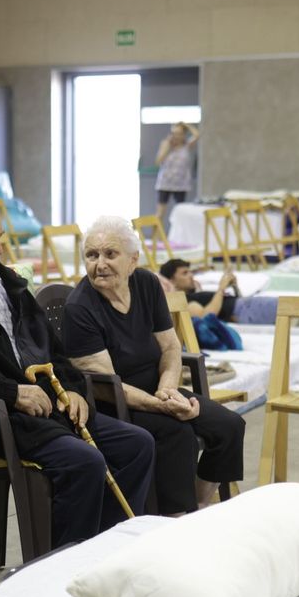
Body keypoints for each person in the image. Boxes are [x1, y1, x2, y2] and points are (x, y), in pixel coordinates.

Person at [0, 194, 153, 548]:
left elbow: (54, 350)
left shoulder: (8, 282)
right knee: (84, 462)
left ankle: (106, 551)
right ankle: (62, 570)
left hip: (45, 407)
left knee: (136, 444)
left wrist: (75, 388)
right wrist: (11, 393)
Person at [63, 217, 245, 515]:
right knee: (178, 432)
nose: (100, 264)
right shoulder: (80, 308)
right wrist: (163, 406)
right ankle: (173, 517)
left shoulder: (146, 283)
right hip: (115, 404)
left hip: (157, 389)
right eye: (91, 255)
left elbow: (171, 346)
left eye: (110, 254)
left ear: (133, 260)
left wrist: (167, 390)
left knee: (229, 426)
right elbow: (107, 386)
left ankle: (198, 504)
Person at [160, 258, 237, 321]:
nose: (191, 275)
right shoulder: (184, 301)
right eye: (185, 273)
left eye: (191, 272)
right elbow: (205, 318)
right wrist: (221, 289)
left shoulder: (195, 293)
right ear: (172, 281)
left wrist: (234, 287)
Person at [154, 122, 199, 221]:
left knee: (180, 212)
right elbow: (158, 161)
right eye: (174, 133)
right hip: (165, 182)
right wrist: (168, 148)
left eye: (179, 133)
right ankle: (156, 236)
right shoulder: (166, 144)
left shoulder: (187, 145)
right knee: (160, 213)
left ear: (183, 135)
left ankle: (178, 235)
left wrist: (185, 125)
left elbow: (197, 135)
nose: (176, 136)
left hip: (181, 183)